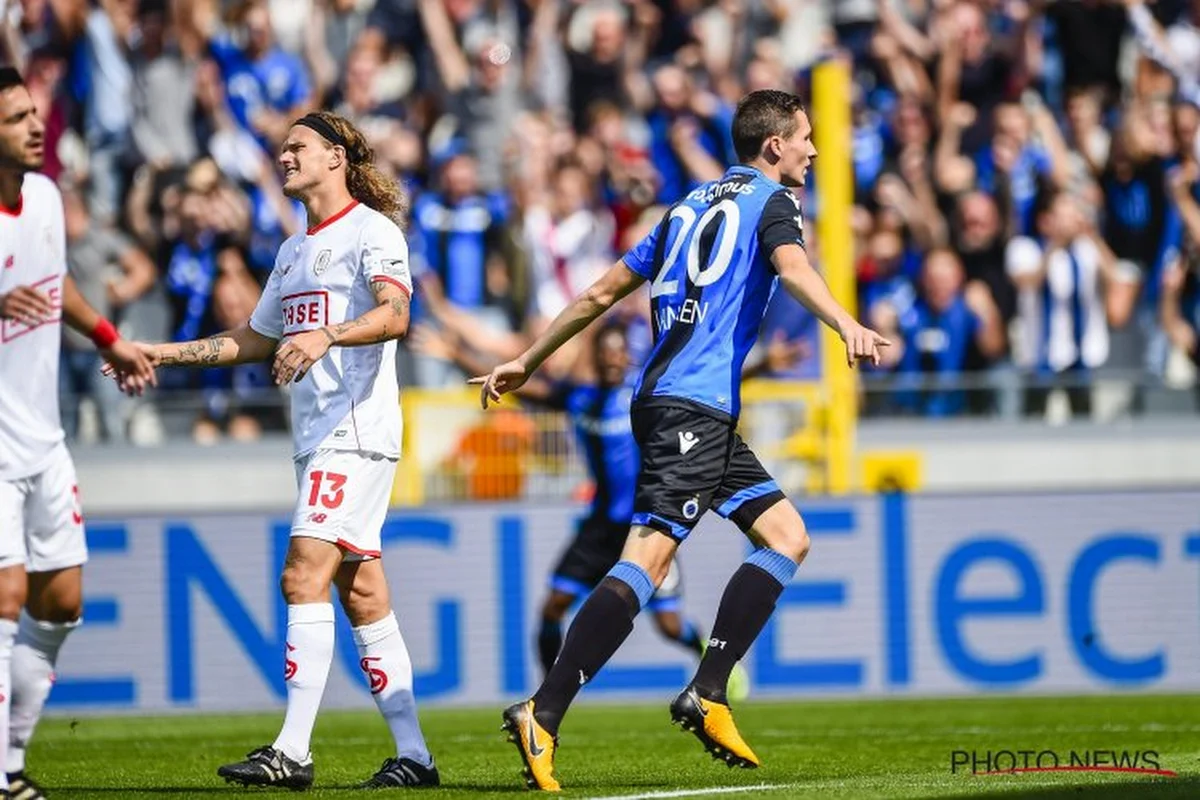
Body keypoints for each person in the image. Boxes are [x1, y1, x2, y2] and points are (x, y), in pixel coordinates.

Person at [472, 89, 889, 791]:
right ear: (774, 144)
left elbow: (604, 291)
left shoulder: (684, 206)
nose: (814, 150)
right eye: (806, 138)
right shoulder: (774, 203)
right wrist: (845, 323)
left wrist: (528, 357)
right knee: (647, 559)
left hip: (682, 407)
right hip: (690, 410)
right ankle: (544, 713)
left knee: (786, 536)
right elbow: (791, 269)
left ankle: (710, 689)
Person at [109, 111, 438, 790]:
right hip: (317, 439)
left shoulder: (373, 232)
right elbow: (254, 338)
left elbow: (396, 315)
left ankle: (292, 750)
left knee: (301, 575)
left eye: (297, 148)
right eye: (282, 148)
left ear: (336, 158)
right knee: (363, 592)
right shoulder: (293, 252)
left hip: (354, 433)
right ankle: (416, 757)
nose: (283, 157)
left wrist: (328, 336)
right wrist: (161, 353)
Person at [417, 321, 753, 697]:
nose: (612, 359)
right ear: (595, 357)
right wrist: (456, 355)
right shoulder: (577, 397)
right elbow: (523, 390)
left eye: (618, 352)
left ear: (627, 355)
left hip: (643, 527)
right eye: (605, 353)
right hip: (598, 529)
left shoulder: (644, 397)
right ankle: (546, 695)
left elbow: (701, 393)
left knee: (670, 626)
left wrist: (763, 365)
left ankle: (710, 658)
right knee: (552, 608)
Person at [0, 66, 156, 800]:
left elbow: (56, 286)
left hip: (43, 435)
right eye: (15, 119)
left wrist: (107, 337)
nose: (35, 127)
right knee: (4, 595)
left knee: (60, 601)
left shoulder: (46, 199)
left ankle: (11, 758)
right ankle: (2, 774)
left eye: (34, 113)